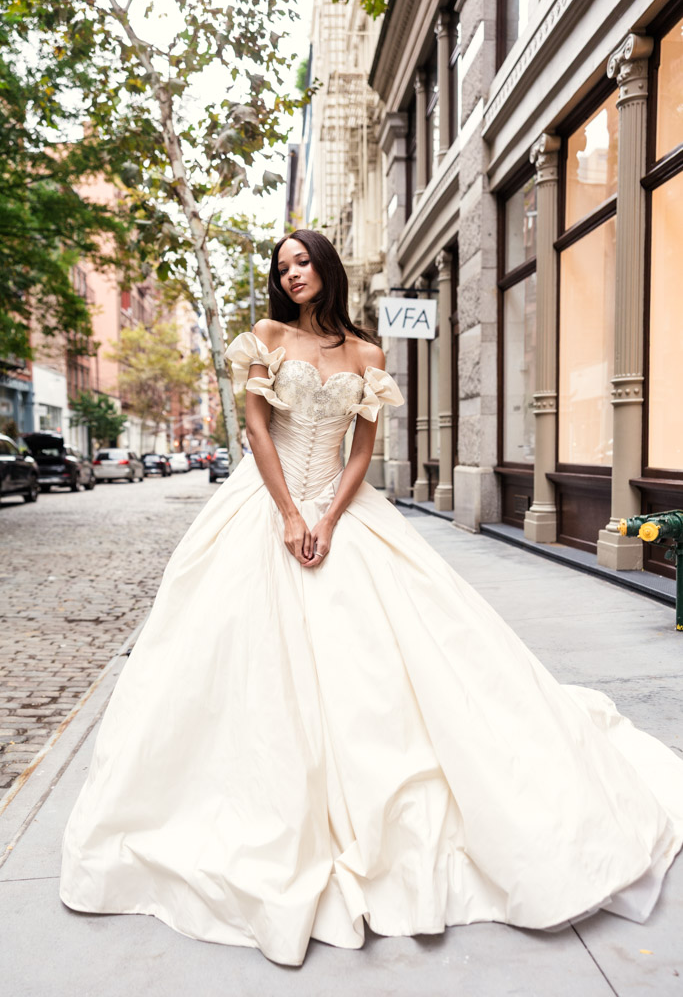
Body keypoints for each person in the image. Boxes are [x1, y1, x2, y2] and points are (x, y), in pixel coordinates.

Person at [60, 229, 683, 968]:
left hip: (343, 511)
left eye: (302, 262)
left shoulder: (367, 354)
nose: (291, 275)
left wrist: (328, 516)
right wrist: (291, 514)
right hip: (266, 506)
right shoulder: (263, 338)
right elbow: (256, 430)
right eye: (282, 266)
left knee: (394, 668)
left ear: (328, 269)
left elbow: (362, 450)